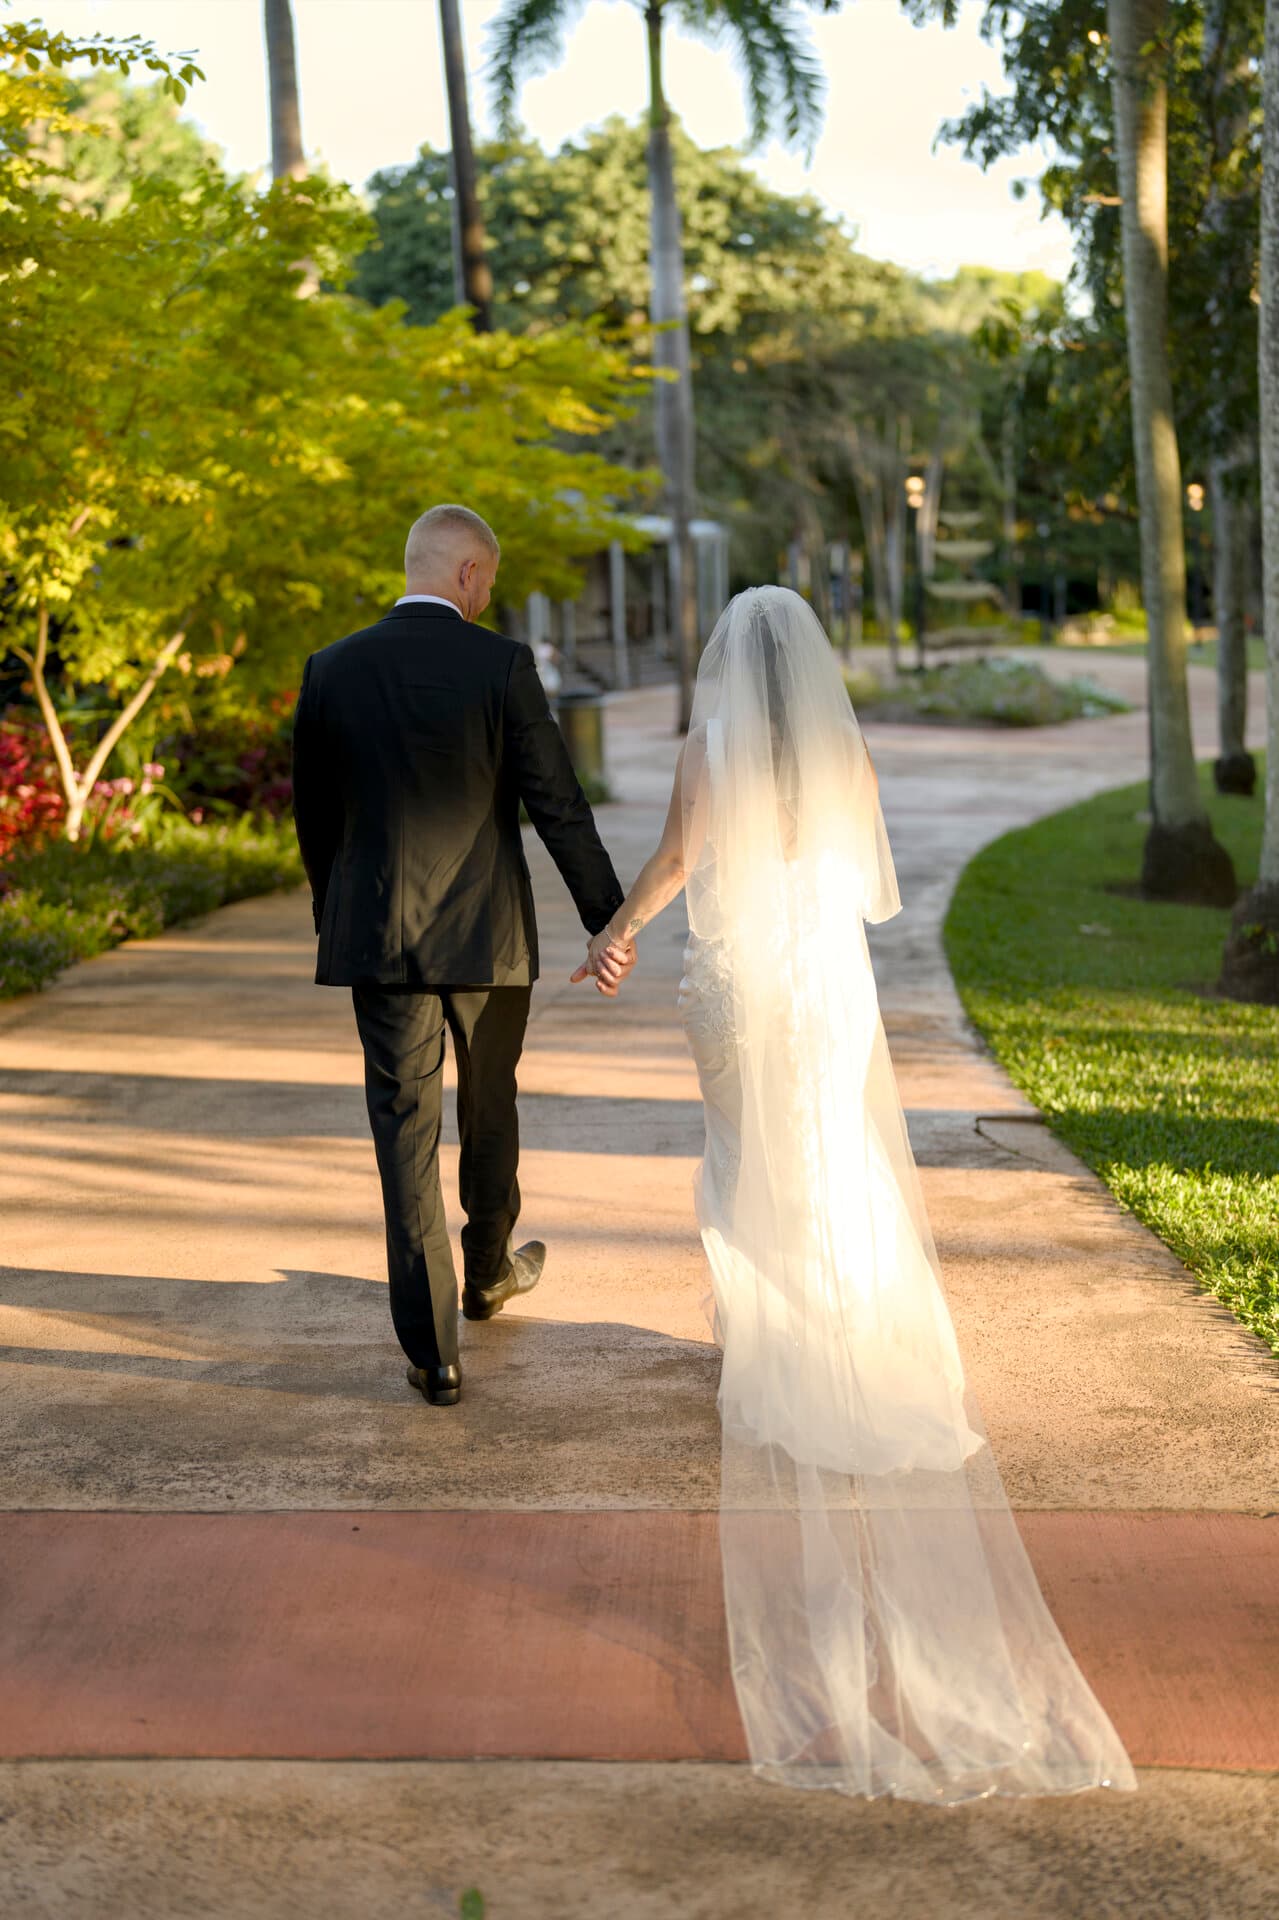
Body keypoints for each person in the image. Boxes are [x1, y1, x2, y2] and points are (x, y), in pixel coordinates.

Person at [579, 585, 1136, 1803]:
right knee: (830, 1149)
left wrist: (617, 930)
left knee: (746, 1158)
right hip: (823, 984)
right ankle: (837, 1323)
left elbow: (681, 858)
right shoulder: (845, 752)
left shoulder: (703, 747)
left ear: (735, 662)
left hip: (732, 983)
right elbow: (874, 887)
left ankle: (765, 1334)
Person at [292, 504, 633, 1408]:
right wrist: (609, 920)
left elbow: (315, 820)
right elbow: (556, 801)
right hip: (486, 936)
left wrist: (340, 919)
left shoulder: (331, 669)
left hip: (381, 937)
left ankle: (435, 1353)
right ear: (471, 576)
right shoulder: (501, 664)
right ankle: (486, 1273)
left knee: (404, 1135)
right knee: (489, 1106)